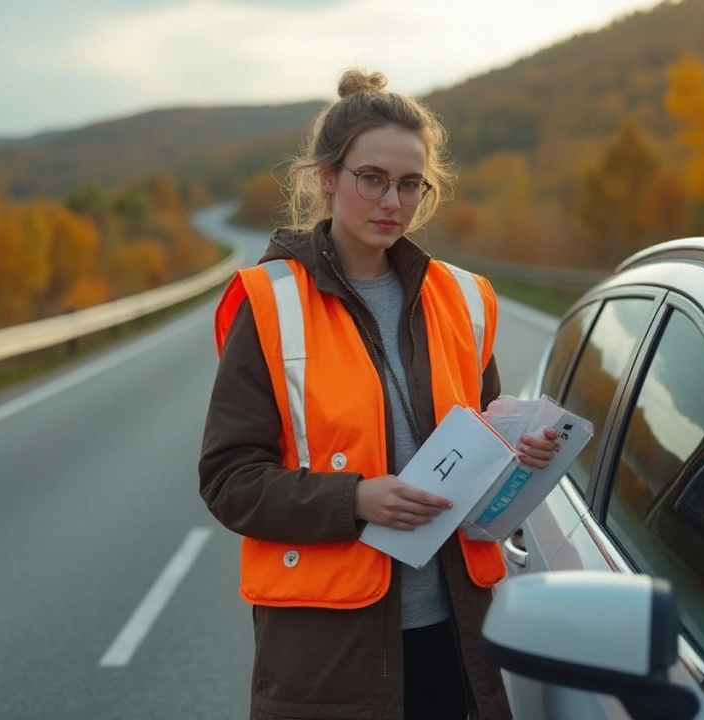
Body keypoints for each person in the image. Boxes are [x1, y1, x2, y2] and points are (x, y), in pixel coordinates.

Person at [198, 67, 562, 720]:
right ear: (328, 178)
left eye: (409, 184)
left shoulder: (464, 299)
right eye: (372, 179)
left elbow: (481, 443)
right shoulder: (270, 303)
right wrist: (356, 499)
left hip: (458, 642)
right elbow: (228, 479)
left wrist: (519, 457)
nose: (391, 201)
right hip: (329, 655)